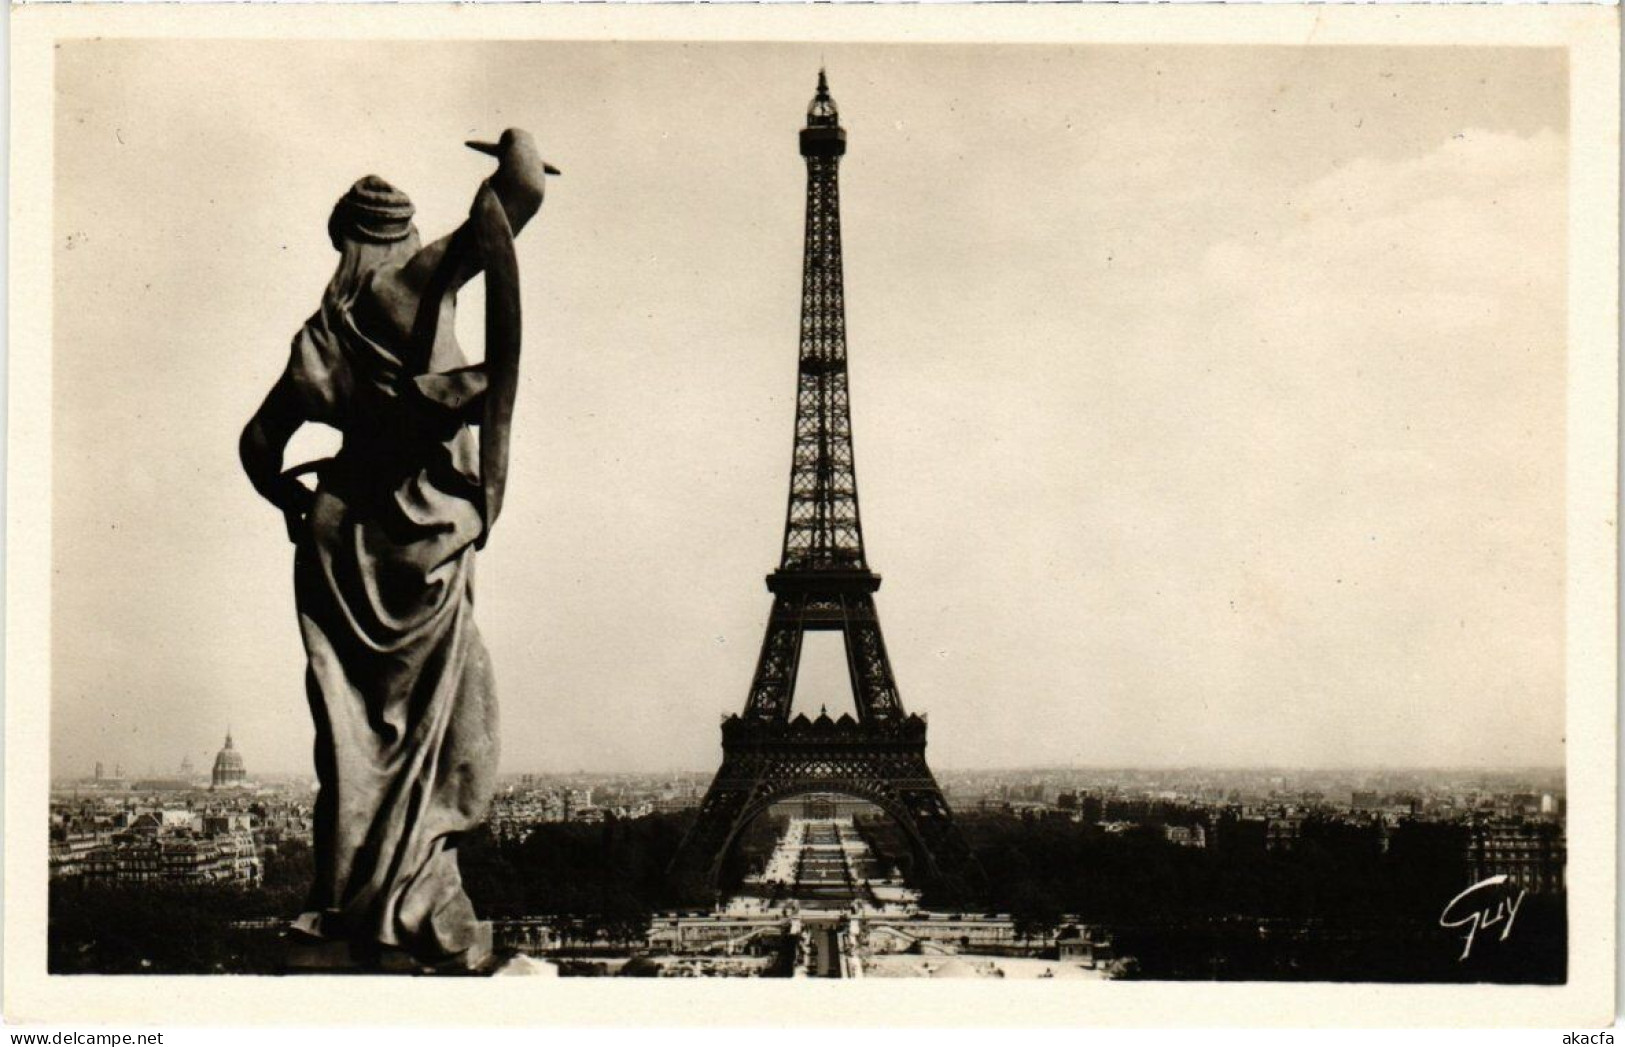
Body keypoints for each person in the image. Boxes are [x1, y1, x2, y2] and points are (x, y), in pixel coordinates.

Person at [240, 129, 551, 970]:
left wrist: (292, 501)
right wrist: (517, 146)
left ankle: (348, 904)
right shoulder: (418, 282)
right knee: (454, 728)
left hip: (342, 543)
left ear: (344, 241)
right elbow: (518, 194)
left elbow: (257, 445)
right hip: (424, 538)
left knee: (353, 742)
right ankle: (418, 899)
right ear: (401, 237)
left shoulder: (319, 336)